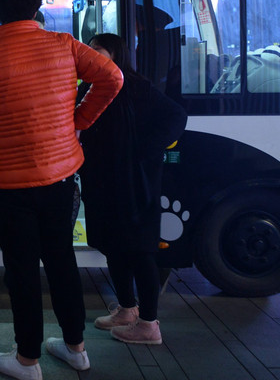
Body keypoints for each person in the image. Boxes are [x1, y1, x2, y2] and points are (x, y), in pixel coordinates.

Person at [0, 0, 123, 379]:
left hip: (5, 184)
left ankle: (27, 360)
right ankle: (76, 349)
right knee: (62, 259)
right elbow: (112, 78)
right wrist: (79, 120)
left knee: (22, 269)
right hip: (59, 177)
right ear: (35, 8)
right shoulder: (65, 45)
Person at [78, 33, 187, 346]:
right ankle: (127, 309)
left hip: (134, 183)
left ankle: (149, 324)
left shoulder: (137, 86)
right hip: (101, 183)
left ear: (116, 53)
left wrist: (145, 151)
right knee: (113, 246)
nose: (91, 55)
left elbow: (176, 116)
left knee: (140, 250)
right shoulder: (88, 87)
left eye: (98, 50)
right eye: (89, 50)